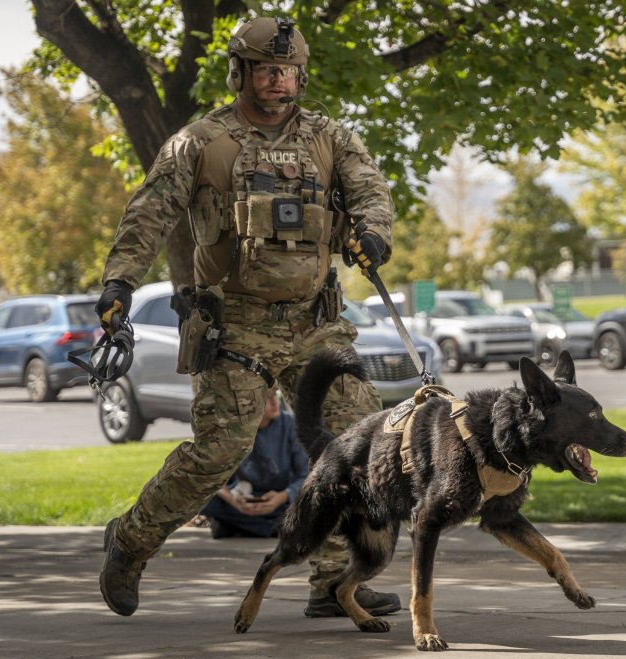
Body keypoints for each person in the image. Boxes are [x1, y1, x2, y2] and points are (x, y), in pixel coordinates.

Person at [94, 16, 399, 620]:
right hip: (231, 322)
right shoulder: (201, 142)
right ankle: (128, 543)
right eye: (265, 69)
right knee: (221, 450)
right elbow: (149, 213)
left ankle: (336, 582)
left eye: (286, 70)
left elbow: (370, 191)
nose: (277, 81)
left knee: (356, 444)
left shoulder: (328, 137)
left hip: (315, 321)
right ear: (240, 72)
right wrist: (120, 282)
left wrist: (372, 234)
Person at [200, 392, 307, 538]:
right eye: (266, 398)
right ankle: (273, 528)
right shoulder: (231, 428)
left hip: (281, 500)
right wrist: (233, 500)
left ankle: (235, 525)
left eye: (275, 396)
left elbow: (307, 474)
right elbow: (210, 474)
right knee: (201, 497)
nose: (274, 402)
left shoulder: (292, 425)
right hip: (242, 499)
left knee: (310, 504)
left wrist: (283, 496)